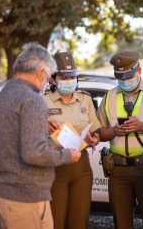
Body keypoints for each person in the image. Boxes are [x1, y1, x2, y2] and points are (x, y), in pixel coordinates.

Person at [0, 42, 81, 229]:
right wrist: (67, 155)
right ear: (40, 73)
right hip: (27, 201)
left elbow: (15, 143)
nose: (47, 82)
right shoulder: (33, 100)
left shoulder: (1, 97)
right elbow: (33, 153)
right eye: (47, 77)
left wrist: (52, 146)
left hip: (6, 195)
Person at [98, 51, 143, 229]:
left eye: (129, 76)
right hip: (118, 171)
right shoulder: (109, 97)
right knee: (121, 223)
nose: (125, 82)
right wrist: (113, 131)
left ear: (140, 70)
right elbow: (99, 133)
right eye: (121, 78)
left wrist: (142, 126)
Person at [44, 52, 101, 229]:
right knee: (56, 221)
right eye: (64, 77)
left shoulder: (85, 99)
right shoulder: (42, 101)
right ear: (53, 79)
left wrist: (95, 137)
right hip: (55, 166)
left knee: (79, 221)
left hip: (81, 166)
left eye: (73, 76)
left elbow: (95, 129)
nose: (69, 80)